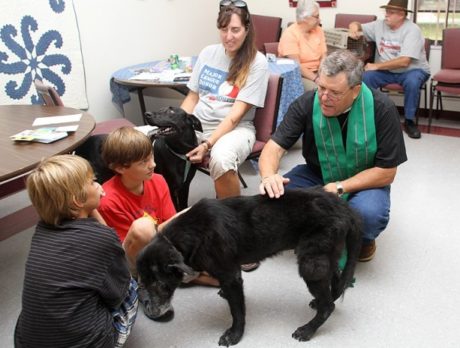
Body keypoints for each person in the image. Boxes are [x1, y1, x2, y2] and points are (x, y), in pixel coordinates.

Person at [258, 50, 407, 262]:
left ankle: (363, 239)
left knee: (367, 215)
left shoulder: (381, 108)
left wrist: (340, 187)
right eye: (321, 87)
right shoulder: (308, 102)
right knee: (274, 197)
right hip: (318, 173)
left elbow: (386, 172)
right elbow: (275, 147)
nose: (324, 98)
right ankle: (316, 234)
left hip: (364, 180)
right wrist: (268, 176)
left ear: (355, 91)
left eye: (334, 92)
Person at [15, 155, 138, 348]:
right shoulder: (101, 238)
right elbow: (117, 296)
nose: (99, 185)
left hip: (27, 343)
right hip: (89, 343)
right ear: (76, 201)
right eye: (93, 182)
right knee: (130, 284)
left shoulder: (41, 231)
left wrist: (91, 207)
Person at [98, 127, 218, 286]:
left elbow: (172, 229)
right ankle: (178, 277)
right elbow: (133, 246)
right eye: (143, 162)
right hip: (135, 259)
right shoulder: (108, 200)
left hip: (161, 244)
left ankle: (186, 273)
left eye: (151, 156)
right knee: (143, 228)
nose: (153, 164)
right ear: (120, 168)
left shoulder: (158, 180)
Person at [182, 0, 269, 200]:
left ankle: (232, 219)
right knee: (155, 143)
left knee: (221, 159)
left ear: (247, 29)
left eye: (235, 30)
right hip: (198, 126)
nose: (228, 37)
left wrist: (207, 144)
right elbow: (192, 97)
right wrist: (179, 125)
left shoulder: (257, 63)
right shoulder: (207, 53)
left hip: (236, 129)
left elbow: (234, 116)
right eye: (223, 29)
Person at [349, 0, 430, 139]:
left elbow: (405, 61)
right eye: (386, 11)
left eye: (391, 12)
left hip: (412, 70)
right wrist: (354, 29)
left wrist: (376, 66)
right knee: (365, 78)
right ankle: (369, 117)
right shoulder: (379, 25)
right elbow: (356, 24)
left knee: (412, 82)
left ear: (401, 15)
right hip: (387, 71)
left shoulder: (412, 30)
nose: (386, 15)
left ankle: (409, 121)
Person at [278, 0, 327, 91]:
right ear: (305, 18)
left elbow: (323, 56)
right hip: (298, 75)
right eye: (316, 17)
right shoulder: (290, 34)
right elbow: (296, 65)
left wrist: (323, 74)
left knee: (339, 85)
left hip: (319, 72)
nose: (319, 20)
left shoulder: (319, 30)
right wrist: (316, 79)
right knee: (320, 90)